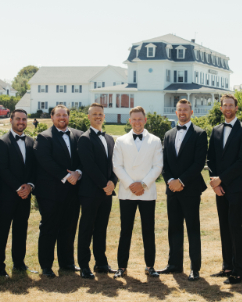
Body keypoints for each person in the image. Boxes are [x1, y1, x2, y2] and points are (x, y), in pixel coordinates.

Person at [158, 99, 208, 281]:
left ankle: (195, 268)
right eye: (179, 110)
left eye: (185, 110)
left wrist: (181, 181)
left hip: (191, 189)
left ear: (191, 112)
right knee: (174, 228)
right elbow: (164, 162)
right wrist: (171, 180)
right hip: (172, 190)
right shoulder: (169, 134)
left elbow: (198, 163)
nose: (182, 113)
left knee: (193, 229)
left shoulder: (200, 134)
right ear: (176, 112)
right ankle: (174, 264)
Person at [112, 106, 164, 279]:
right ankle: (121, 267)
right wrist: (131, 184)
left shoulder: (155, 140)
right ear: (129, 121)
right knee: (125, 230)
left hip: (147, 192)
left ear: (145, 120)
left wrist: (142, 184)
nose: (137, 122)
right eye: (133, 119)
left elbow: (158, 166)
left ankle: (150, 266)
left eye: (140, 119)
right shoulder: (121, 141)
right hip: (127, 192)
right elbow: (117, 166)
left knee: (148, 230)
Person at [206, 94, 242, 285]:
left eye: (230, 105)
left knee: (235, 227)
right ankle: (227, 266)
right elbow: (211, 159)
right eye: (224, 105)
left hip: (234, 187)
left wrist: (221, 179)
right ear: (220, 108)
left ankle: (238, 270)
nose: (227, 108)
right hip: (219, 188)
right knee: (224, 226)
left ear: (236, 107)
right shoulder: (216, 130)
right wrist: (215, 183)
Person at [33, 105, 83, 277]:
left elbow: (84, 158)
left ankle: (67, 262)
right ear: (52, 117)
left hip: (73, 191)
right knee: (49, 228)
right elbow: (44, 160)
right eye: (58, 115)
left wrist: (78, 173)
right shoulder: (44, 137)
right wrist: (66, 176)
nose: (62, 117)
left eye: (65, 115)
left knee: (69, 227)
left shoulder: (78, 135)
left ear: (69, 117)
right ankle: (46, 266)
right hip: (50, 192)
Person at [0, 109, 36, 277]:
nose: (21, 122)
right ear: (11, 120)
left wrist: (30, 186)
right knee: (2, 230)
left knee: (21, 229)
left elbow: (33, 168)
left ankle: (19, 263)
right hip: (7, 195)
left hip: (25, 196)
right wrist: (19, 188)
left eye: (24, 119)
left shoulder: (31, 141)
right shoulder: (2, 142)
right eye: (18, 119)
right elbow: (2, 169)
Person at [76, 103, 117, 279]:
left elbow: (114, 164)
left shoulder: (109, 139)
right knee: (87, 228)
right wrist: (104, 184)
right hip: (91, 192)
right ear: (89, 117)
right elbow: (89, 166)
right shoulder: (84, 139)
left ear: (104, 116)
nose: (98, 117)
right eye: (94, 114)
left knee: (101, 228)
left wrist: (113, 183)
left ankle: (101, 262)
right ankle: (84, 265)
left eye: (100, 114)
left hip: (107, 192)